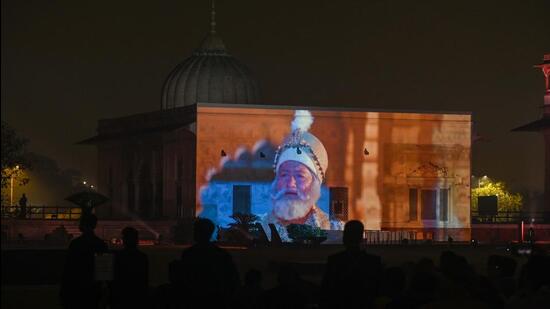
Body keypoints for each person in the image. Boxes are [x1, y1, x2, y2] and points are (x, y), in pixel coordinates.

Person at [262, 110, 343, 241]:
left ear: (315, 184)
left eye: (300, 176)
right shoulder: (259, 226)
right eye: (284, 175)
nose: (290, 183)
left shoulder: (335, 229)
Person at [178, 218, 240, 308]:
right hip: (216, 299)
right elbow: (232, 279)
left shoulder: (189, 254)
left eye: (195, 229)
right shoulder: (221, 254)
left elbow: (184, 279)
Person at [321, 220, 382, 309]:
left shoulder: (334, 261)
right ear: (361, 237)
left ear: (345, 237)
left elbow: (326, 292)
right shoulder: (374, 262)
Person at [60, 214, 108, 309]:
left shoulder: (75, 244)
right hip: (93, 289)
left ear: (83, 225)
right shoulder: (101, 244)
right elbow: (104, 272)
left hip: (77, 289)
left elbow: (69, 269)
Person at [111, 227, 149, 309]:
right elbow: (144, 279)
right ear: (136, 240)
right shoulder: (142, 257)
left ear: (124, 240)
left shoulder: (118, 257)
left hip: (121, 296)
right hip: (137, 297)